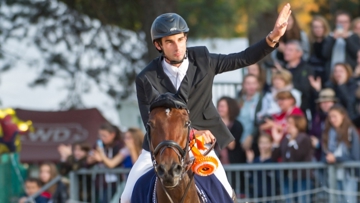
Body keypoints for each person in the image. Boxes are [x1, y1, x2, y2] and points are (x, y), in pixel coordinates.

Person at [121, 4, 292, 202]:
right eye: (169, 42)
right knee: (126, 197)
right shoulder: (146, 78)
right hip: (162, 147)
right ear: (159, 45)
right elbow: (150, 123)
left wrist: (273, 37)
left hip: (198, 146)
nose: (177, 47)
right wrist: (191, 131)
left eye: (180, 39)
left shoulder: (203, 59)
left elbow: (243, 58)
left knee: (227, 193)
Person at [322, 105, 360, 203]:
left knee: (349, 200)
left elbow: (355, 156)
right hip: (332, 173)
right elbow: (324, 153)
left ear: (342, 116)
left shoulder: (351, 131)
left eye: (335, 116)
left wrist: (337, 158)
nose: (332, 120)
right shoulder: (328, 132)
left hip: (348, 174)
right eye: (330, 117)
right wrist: (327, 158)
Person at [272, 115, 313, 203]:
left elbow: (297, 157)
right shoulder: (286, 139)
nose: (287, 125)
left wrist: (292, 142)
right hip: (288, 176)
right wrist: (276, 141)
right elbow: (275, 156)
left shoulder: (304, 138)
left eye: (290, 123)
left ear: (298, 124)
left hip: (302, 177)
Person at [88, 123, 123, 203]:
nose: (101, 138)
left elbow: (112, 164)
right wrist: (96, 158)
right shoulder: (98, 144)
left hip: (114, 182)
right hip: (99, 181)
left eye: (104, 135)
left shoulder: (119, 145)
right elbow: (88, 160)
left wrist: (101, 157)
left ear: (112, 135)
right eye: (100, 135)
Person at [322, 11, 358, 77]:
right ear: (335, 23)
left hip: (349, 74)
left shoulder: (354, 37)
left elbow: (356, 54)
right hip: (332, 73)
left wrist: (347, 39)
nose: (343, 24)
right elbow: (325, 55)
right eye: (340, 22)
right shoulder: (329, 37)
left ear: (349, 23)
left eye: (345, 22)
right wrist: (333, 39)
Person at [283, 40, 315, 115]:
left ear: (299, 53)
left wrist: (284, 79)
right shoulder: (283, 68)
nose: (286, 52)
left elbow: (305, 88)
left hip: (301, 110)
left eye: (290, 50)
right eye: (286, 49)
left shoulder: (307, 69)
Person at [237, 74, 264, 153]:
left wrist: (250, 137)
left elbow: (260, 122)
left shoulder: (262, 100)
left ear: (258, 84)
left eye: (253, 83)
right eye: (248, 83)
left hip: (254, 141)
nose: (251, 86)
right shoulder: (239, 100)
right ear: (244, 85)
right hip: (239, 139)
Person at [309, 88, 337, 161]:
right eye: (323, 102)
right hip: (318, 155)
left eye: (328, 102)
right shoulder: (317, 117)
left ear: (334, 103)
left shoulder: (337, 118)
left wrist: (319, 144)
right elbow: (312, 133)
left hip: (333, 156)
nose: (325, 104)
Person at [246, 134, 276, 201]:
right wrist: (250, 162)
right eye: (261, 142)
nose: (263, 146)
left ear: (271, 144)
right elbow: (249, 176)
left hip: (270, 196)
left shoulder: (273, 160)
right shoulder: (255, 160)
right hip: (255, 195)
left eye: (266, 143)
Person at [308, 15, 330, 85]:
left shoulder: (330, 41)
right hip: (312, 74)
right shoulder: (309, 43)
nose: (318, 29)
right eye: (315, 27)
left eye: (321, 27)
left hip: (327, 75)